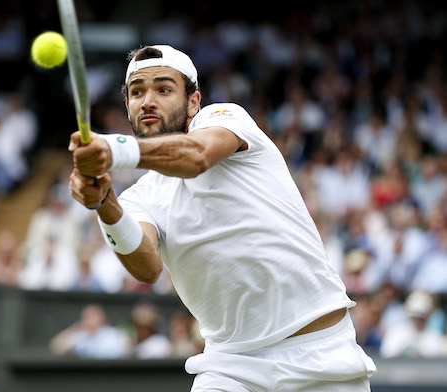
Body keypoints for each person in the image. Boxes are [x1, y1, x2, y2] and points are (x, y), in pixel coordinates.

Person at [68, 45, 376, 391]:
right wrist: (104, 202)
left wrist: (115, 150)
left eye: (164, 89)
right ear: (128, 106)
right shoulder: (139, 197)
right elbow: (147, 266)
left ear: (194, 101)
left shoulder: (226, 118)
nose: (148, 101)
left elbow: (196, 156)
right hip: (229, 368)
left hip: (320, 354)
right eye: (137, 92)